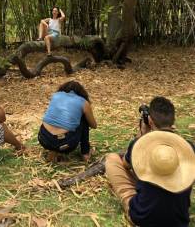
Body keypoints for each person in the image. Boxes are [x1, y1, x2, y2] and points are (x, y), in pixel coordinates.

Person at [105, 97, 195, 226]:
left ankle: (130, 197)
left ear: (150, 121)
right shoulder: (189, 148)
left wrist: (142, 136)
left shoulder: (138, 144)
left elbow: (125, 165)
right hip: (179, 221)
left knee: (112, 159)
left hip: (142, 217)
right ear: (173, 121)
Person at [38, 80, 97, 162]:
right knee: (84, 120)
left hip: (43, 139)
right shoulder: (83, 102)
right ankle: (85, 153)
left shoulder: (55, 96)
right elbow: (94, 125)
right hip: (66, 143)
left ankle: (53, 149)